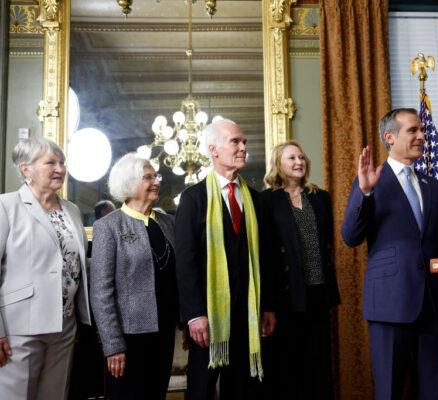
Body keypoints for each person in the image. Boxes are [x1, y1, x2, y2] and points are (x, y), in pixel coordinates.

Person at [341, 108, 438, 400]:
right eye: (413, 130)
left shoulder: (432, 185)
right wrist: (365, 192)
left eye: (421, 130)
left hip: (433, 301)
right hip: (390, 301)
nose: (422, 136)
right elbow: (350, 237)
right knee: (390, 389)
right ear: (390, 137)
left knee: (435, 389)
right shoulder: (370, 182)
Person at [175, 119, 276, 400]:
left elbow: (265, 259)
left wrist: (267, 306)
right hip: (208, 316)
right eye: (235, 141)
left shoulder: (256, 200)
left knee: (244, 389)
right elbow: (185, 262)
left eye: (244, 142)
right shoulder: (192, 199)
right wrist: (194, 314)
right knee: (201, 389)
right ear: (213, 150)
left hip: (249, 313)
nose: (243, 147)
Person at [0, 137, 91, 400]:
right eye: (50, 162)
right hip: (19, 328)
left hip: (65, 325)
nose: (60, 169)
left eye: (62, 162)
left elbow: (75, 262)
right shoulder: (6, 206)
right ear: (25, 169)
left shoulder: (72, 210)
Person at [90, 153, 179, 400]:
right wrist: (113, 344)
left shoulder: (168, 222)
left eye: (156, 176)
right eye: (148, 177)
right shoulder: (109, 226)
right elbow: (101, 291)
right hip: (128, 337)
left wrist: (185, 321)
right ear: (129, 183)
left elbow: (178, 277)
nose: (156, 182)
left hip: (164, 330)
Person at [262, 141, 341, 400]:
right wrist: (268, 304)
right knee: (288, 367)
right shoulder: (267, 201)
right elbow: (267, 253)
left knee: (318, 365)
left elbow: (327, 243)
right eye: (291, 158)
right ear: (278, 165)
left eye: (301, 157)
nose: (298, 162)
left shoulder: (320, 197)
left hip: (318, 293)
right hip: (286, 296)